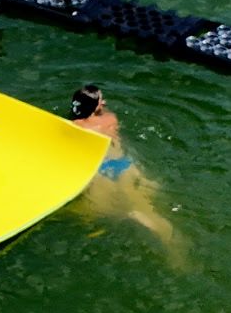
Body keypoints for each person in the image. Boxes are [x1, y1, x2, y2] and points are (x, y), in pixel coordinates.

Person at [69, 83, 177, 246]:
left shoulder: (75, 125)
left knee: (98, 212)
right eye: (101, 100)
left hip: (101, 168)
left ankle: (129, 215)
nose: (104, 102)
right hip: (125, 163)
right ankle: (166, 237)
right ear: (97, 105)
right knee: (148, 204)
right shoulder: (110, 118)